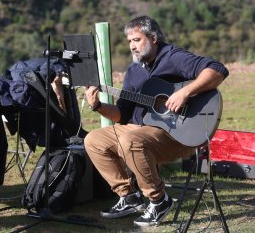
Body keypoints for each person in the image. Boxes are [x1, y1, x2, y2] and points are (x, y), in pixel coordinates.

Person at [84, 16, 229, 227]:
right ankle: (129, 196)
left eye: (136, 40)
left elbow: (217, 70)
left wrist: (185, 93)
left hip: (176, 133)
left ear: (153, 38)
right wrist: (97, 106)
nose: (132, 46)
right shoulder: (134, 71)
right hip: (141, 129)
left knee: (131, 140)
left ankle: (159, 200)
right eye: (129, 42)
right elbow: (122, 115)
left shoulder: (173, 58)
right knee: (93, 140)